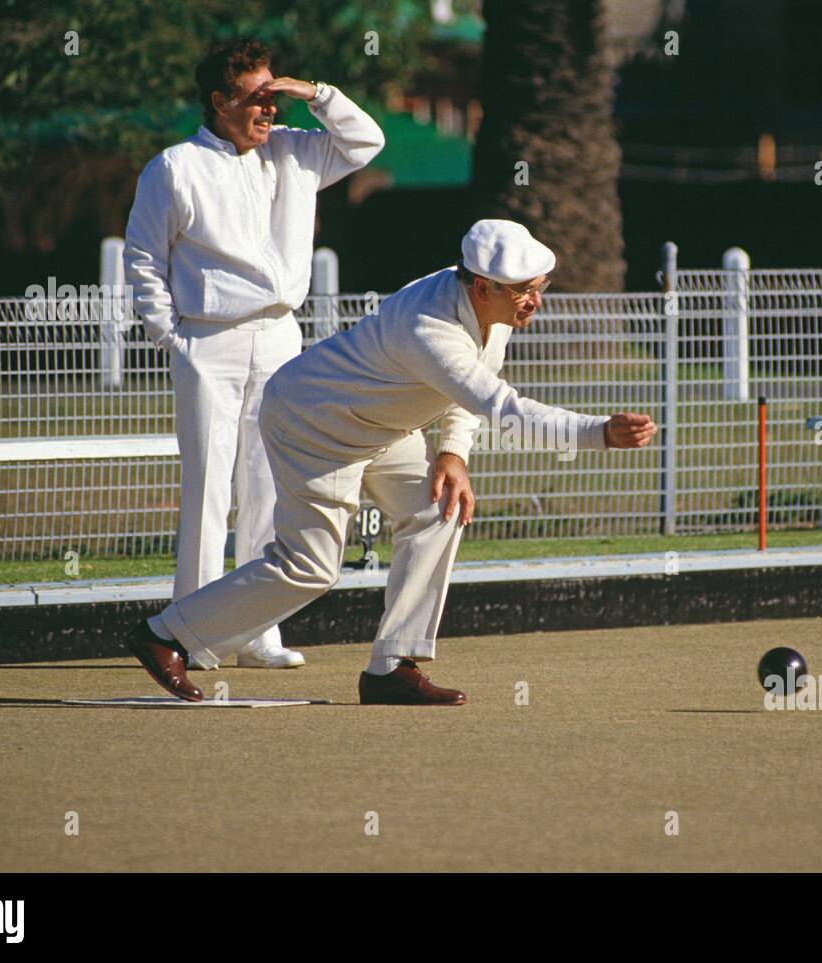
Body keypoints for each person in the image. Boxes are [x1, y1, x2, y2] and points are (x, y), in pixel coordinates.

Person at [126, 219, 659, 705]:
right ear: (482, 287)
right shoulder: (429, 328)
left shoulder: (487, 310)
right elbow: (499, 406)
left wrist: (452, 452)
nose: (534, 302)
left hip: (383, 428)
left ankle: (390, 667)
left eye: (538, 287)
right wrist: (598, 433)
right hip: (316, 425)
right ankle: (164, 634)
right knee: (310, 568)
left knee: (438, 510)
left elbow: (469, 391)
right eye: (524, 291)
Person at [124, 39, 384, 668]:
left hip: (280, 338)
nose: (268, 112)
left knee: (272, 488)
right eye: (256, 99)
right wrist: (173, 339)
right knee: (209, 489)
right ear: (219, 101)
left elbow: (366, 142)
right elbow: (142, 260)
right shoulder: (174, 167)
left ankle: (258, 632)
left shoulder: (297, 150)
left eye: (274, 98)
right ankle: (187, 635)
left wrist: (315, 94)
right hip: (206, 340)